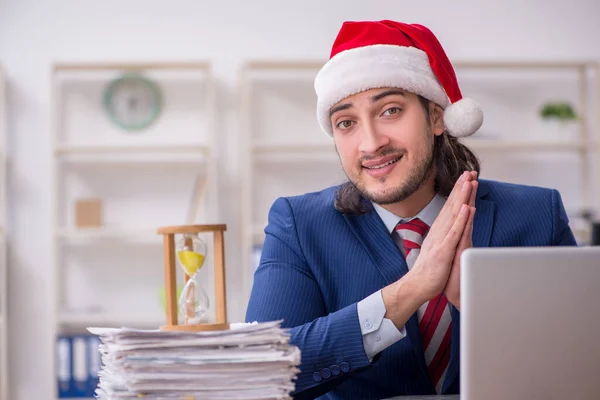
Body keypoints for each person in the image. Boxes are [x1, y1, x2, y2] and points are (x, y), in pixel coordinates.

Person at [245, 20, 577, 400]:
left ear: (437, 116)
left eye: (390, 111)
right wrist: (410, 291)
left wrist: (476, 306)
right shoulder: (299, 225)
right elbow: (262, 372)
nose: (371, 143)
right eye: (346, 122)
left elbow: (580, 360)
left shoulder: (537, 214)